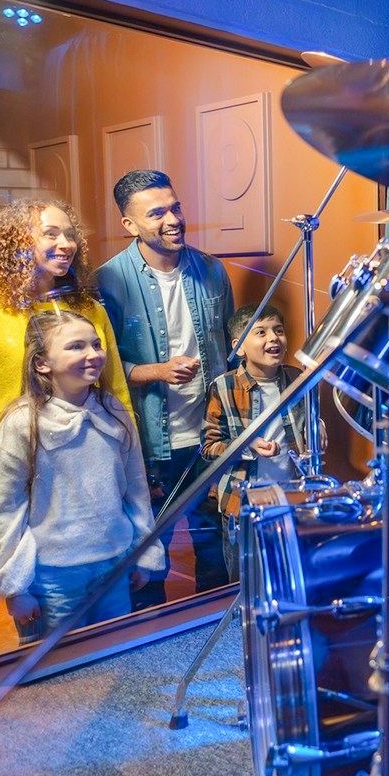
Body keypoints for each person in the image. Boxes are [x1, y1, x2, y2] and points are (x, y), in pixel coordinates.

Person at [0, 197, 132, 539]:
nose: (66, 244)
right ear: (17, 243)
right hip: (18, 481)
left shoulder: (88, 309)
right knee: (36, 586)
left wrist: (127, 468)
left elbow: (116, 393)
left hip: (92, 474)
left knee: (97, 576)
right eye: (51, 234)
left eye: (71, 235)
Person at [96, 169, 234, 608]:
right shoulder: (107, 281)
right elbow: (101, 367)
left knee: (215, 547)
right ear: (129, 225)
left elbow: (228, 350)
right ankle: (151, 652)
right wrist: (156, 371)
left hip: (210, 438)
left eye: (175, 206)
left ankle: (213, 637)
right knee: (150, 553)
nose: (173, 219)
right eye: (156, 213)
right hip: (147, 444)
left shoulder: (212, 270)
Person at [0, 310, 164, 644]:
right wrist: (15, 586)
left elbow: (137, 490)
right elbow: (8, 511)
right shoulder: (22, 423)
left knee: (114, 661)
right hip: (53, 576)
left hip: (113, 565)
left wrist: (143, 554)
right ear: (42, 363)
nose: (93, 354)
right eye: (76, 346)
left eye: (96, 344)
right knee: (59, 676)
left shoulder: (114, 410)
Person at [201, 305, 315, 579]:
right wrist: (245, 444)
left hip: (291, 500)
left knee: (289, 578)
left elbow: (306, 423)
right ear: (239, 347)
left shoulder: (299, 379)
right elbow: (208, 448)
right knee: (245, 583)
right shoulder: (224, 387)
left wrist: (317, 426)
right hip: (243, 505)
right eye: (260, 332)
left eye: (278, 330)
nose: (273, 338)